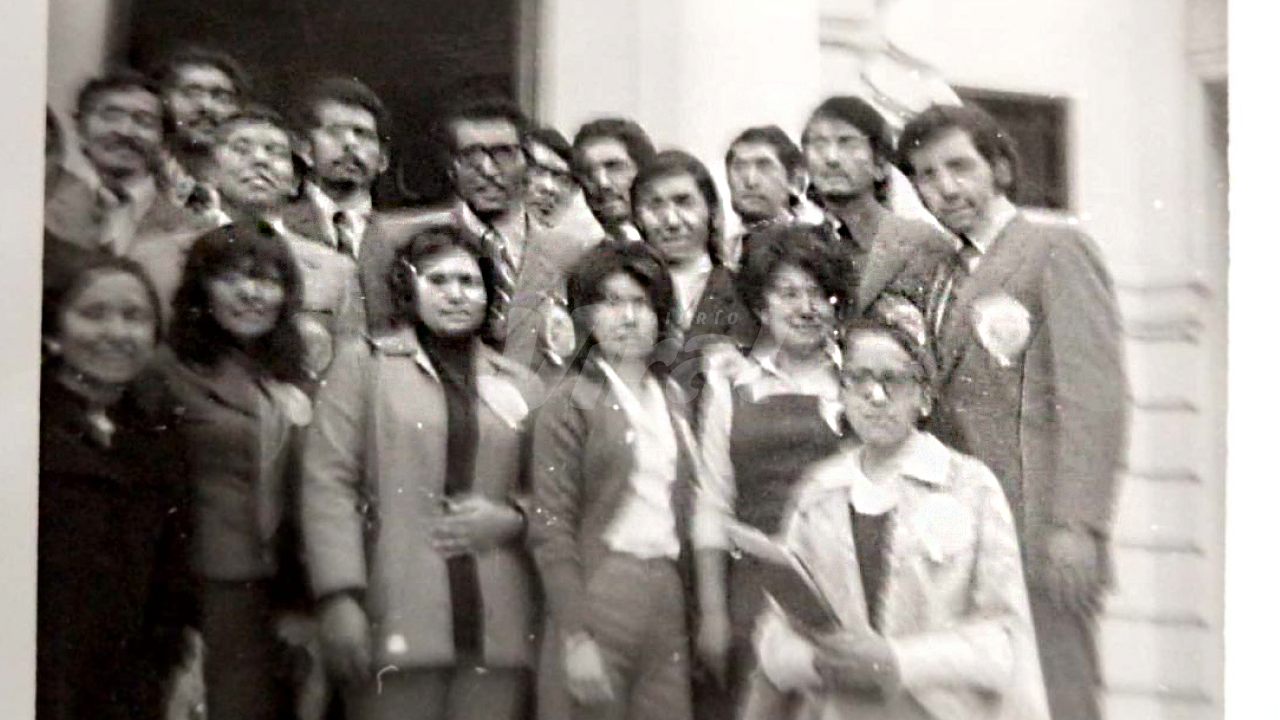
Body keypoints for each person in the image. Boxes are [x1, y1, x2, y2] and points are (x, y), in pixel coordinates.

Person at [897, 103, 1128, 720]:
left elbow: (1093, 395)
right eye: (926, 175)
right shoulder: (940, 274)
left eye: (960, 167)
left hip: (1040, 531)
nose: (945, 187)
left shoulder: (1054, 248)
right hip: (964, 531)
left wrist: (1077, 525)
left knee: (1057, 696)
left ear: (999, 168)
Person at [743, 319, 1050, 720]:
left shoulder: (968, 487)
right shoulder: (820, 491)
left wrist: (899, 661)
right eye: (859, 379)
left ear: (924, 397)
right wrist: (818, 662)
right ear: (843, 392)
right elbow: (775, 638)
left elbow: (1002, 642)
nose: (876, 396)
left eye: (894, 380)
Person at [302, 225, 541, 720]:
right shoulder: (364, 366)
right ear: (409, 288)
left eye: (469, 281)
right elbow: (328, 484)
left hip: (498, 620)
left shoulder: (522, 384)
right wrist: (339, 596)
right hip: (394, 609)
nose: (455, 294)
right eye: (438, 280)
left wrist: (513, 519)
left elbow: (556, 490)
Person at [528, 242, 705, 720]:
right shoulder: (572, 401)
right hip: (601, 586)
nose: (628, 318)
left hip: (665, 591)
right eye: (611, 302)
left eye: (642, 303)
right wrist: (575, 635)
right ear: (586, 316)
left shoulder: (671, 397)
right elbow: (551, 525)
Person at [692, 225, 849, 719]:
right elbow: (712, 502)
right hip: (754, 589)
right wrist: (713, 613)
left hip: (841, 588)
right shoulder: (731, 385)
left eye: (819, 293)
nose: (806, 308)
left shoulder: (856, 382)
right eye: (789, 294)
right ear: (762, 307)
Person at [161, 222, 314, 720]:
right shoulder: (167, 371)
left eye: (267, 280)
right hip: (212, 584)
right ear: (201, 288)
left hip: (291, 581)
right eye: (232, 278)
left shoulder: (291, 368)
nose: (251, 293)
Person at [38, 255, 195, 720]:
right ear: (55, 327)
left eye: (134, 316)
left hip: (130, 685)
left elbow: (171, 569)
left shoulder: (158, 430)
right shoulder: (27, 423)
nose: (116, 332)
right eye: (93, 314)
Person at [131, 105, 363, 380]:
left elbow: (350, 373)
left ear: (294, 181)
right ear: (210, 172)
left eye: (275, 152)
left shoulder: (335, 270)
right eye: (241, 149)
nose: (260, 160)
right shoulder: (154, 258)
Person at [799, 95, 953, 316]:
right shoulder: (801, 245)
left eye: (848, 144)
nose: (831, 158)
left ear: (880, 164)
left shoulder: (923, 243)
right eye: (819, 145)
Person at [630, 149, 758, 390]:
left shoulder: (745, 291)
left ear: (712, 210)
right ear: (637, 218)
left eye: (684, 202)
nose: (671, 221)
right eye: (654, 206)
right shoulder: (628, 295)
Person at [44, 70, 190, 256]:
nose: (125, 131)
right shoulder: (44, 205)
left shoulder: (188, 226)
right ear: (80, 126)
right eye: (111, 116)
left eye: (144, 121)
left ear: (163, 141)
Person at [152, 45, 248, 215]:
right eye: (191, 93)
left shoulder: (250, 192)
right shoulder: (140, 183)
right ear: (160, 100)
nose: (206, 106)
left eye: (222, 97)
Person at [722, 125, 810, 269]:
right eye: (739, 167)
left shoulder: (814, 249)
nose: (750, 181)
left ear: (793, 180)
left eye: (764, 167)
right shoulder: (721, 256)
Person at [572, 117, 657, 243]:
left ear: (644, 169)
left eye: (614, 167)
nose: (602, 183)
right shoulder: (577, 250)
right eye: (588, 172)